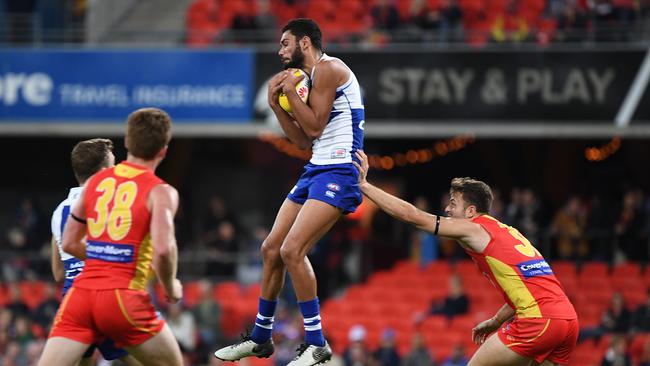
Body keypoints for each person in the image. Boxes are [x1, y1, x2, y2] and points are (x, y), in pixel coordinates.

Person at [214, 17, 365, 366]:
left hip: (340, 171)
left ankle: (316, 344)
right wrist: (275, 105)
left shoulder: (329, 69)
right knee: (271, 249)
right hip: (317, 168)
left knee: (292, 250)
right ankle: (261, 338)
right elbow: (300, 139)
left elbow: (313, 126)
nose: (280, 50)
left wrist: (287, 96)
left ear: (305, 44)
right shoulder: (310, 79)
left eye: (285, 43)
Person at [353, 150, 578, 366]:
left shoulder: (475, 229)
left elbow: (414, 217)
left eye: (453, 203)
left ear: (471, 211)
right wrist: (496, 321)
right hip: (567, 320)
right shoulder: (508, 231)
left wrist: (365, 186)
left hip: (538, 320)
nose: (447, 209)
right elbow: (530, 287)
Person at [37, 108, 183, 366]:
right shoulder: (160, 192)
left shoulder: (96, 184)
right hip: (121, 296)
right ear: (163, 151)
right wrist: (171, 286)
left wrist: (103, 254)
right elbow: (163, 249)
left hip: (79, 296)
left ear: (127, 142)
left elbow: (69, 243)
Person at [49, 138, 142, 366]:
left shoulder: (59, 212)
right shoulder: (114, 204)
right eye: (113, 166)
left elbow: (59, 275)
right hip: (107, 294)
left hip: (73, 299)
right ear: (103, 172)